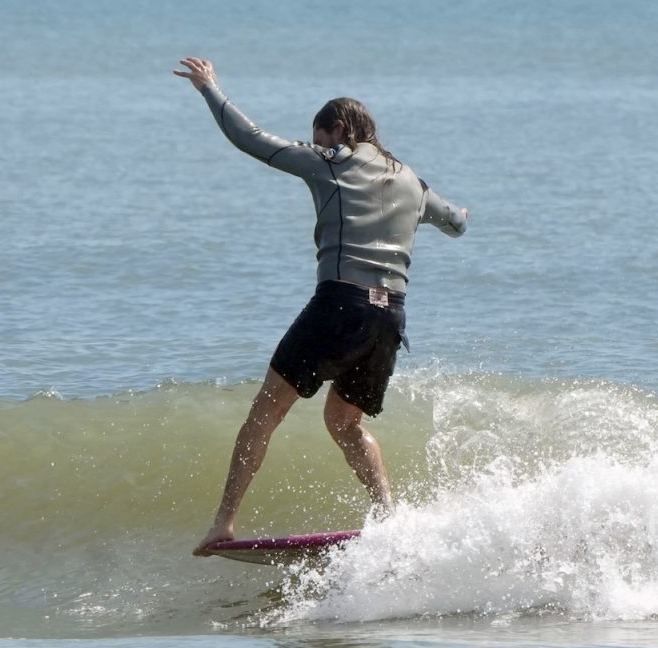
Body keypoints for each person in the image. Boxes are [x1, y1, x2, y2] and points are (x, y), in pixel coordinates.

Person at [173, 57, 469, 556]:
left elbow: (251, 139)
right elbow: (456, 224)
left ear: (340, 131)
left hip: (341, 305)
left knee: (264, 413)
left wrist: (209, 88)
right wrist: (460, 214)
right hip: (389, 317)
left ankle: (223, 523)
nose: (318, 145)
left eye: (321, 137)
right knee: (344, 423)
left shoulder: (331, 160)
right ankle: (388, 516)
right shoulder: (413, 182)